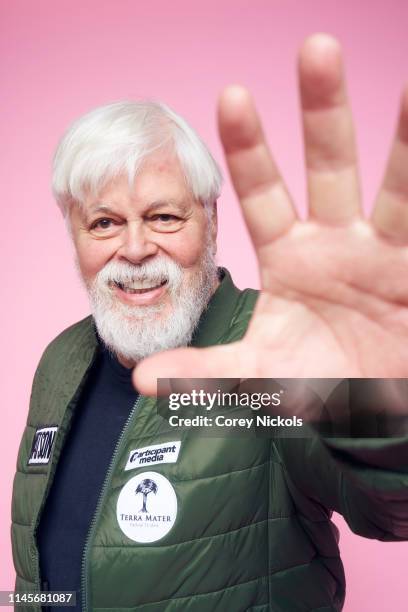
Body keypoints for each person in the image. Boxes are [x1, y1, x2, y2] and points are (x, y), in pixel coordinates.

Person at [11, 33, 408, 612]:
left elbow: (392, 509)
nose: (137, 247)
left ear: (211, 218)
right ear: (72, 232)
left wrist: (377, 404)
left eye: (164, 216)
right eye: (103, 223)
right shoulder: (60, 361)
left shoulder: (275, 353)